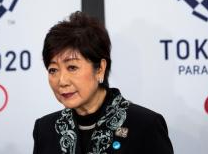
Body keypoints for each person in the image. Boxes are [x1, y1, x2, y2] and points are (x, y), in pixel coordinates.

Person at [33, 11, 174, 154]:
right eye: (53, 70)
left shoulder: (145, 125)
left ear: (100, 69)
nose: (62, 81)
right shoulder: (45, 129)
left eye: (72, 67)